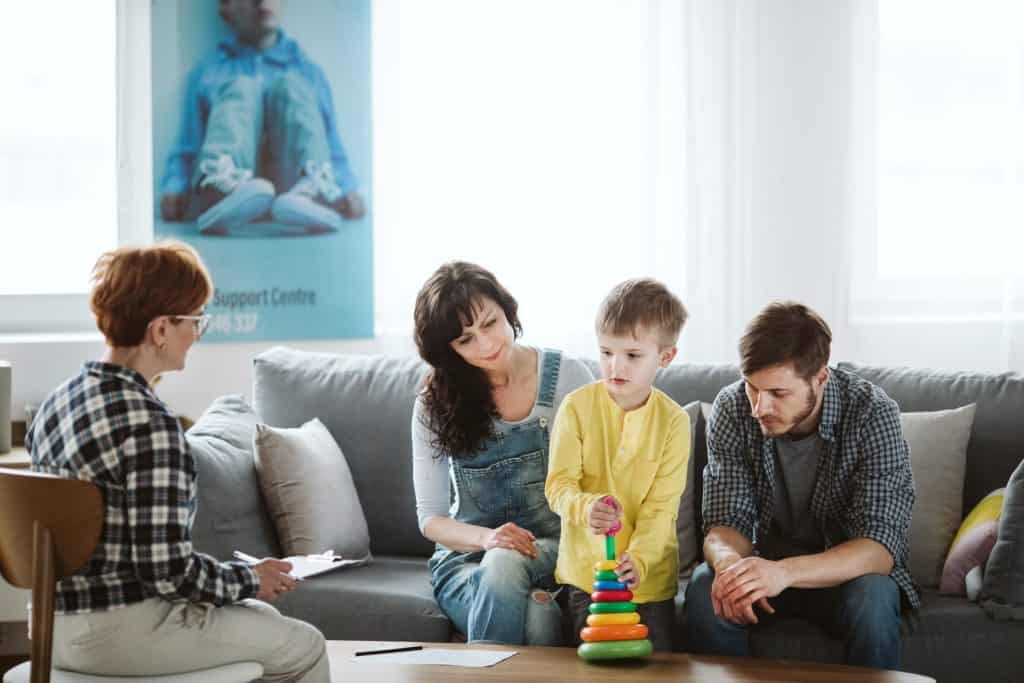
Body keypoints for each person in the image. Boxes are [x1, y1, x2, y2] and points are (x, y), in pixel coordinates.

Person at [26, 241, 329, 681]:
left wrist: (242, 582)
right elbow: (167, 574)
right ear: (161, 329)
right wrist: (249, 579)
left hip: (50, 627)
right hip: (119, 632)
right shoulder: (150, 425)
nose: (198, 333)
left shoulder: (56, 403)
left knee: (260, 620)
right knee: (303, 646)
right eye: (195, 320)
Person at [684, 301, 917, 670]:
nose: (760, 407)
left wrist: (784, 572)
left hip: (841, 579)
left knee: (873, 593)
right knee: (703, 586)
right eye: (752, 388)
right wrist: (731, 566)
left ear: (820, 378)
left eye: (778, 393)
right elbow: (724, 523)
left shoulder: (872, 412)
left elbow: (879, 548)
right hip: (764, 574)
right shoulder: (731, 407)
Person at [411, 261, 593, 644]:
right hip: (467, 561)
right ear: (449, 350)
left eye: (490, 323)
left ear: (508, 309)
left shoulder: (569, 378)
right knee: (538, 615)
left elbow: (601, 482)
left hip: (556, 552)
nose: (486, 344)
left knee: (506, 560)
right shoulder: (434, 403)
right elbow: (430, 520)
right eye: (465, 340)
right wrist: (487, 539)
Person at [545, 278, 691, 652]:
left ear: (666, 356)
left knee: (656, 671)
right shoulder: (576, 408)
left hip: (650, 581)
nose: (615, 366)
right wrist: (584, 507)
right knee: (594, 668)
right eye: (606, 352)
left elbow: (661, 509)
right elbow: (558, 486)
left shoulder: (674, 422)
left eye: (632, 355)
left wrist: (639, 561)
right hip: (585, 576)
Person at [159, 0, 365, 235]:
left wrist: (348, 186)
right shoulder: (209, 71)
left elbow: (329, 139)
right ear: (225, 7)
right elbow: (190, 141)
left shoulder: (307, 70)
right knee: (241, 87)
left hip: (293, 187)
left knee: (292, 87)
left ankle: (314, 191)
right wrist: (175, 186)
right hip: (233, 186)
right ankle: (218, 193)